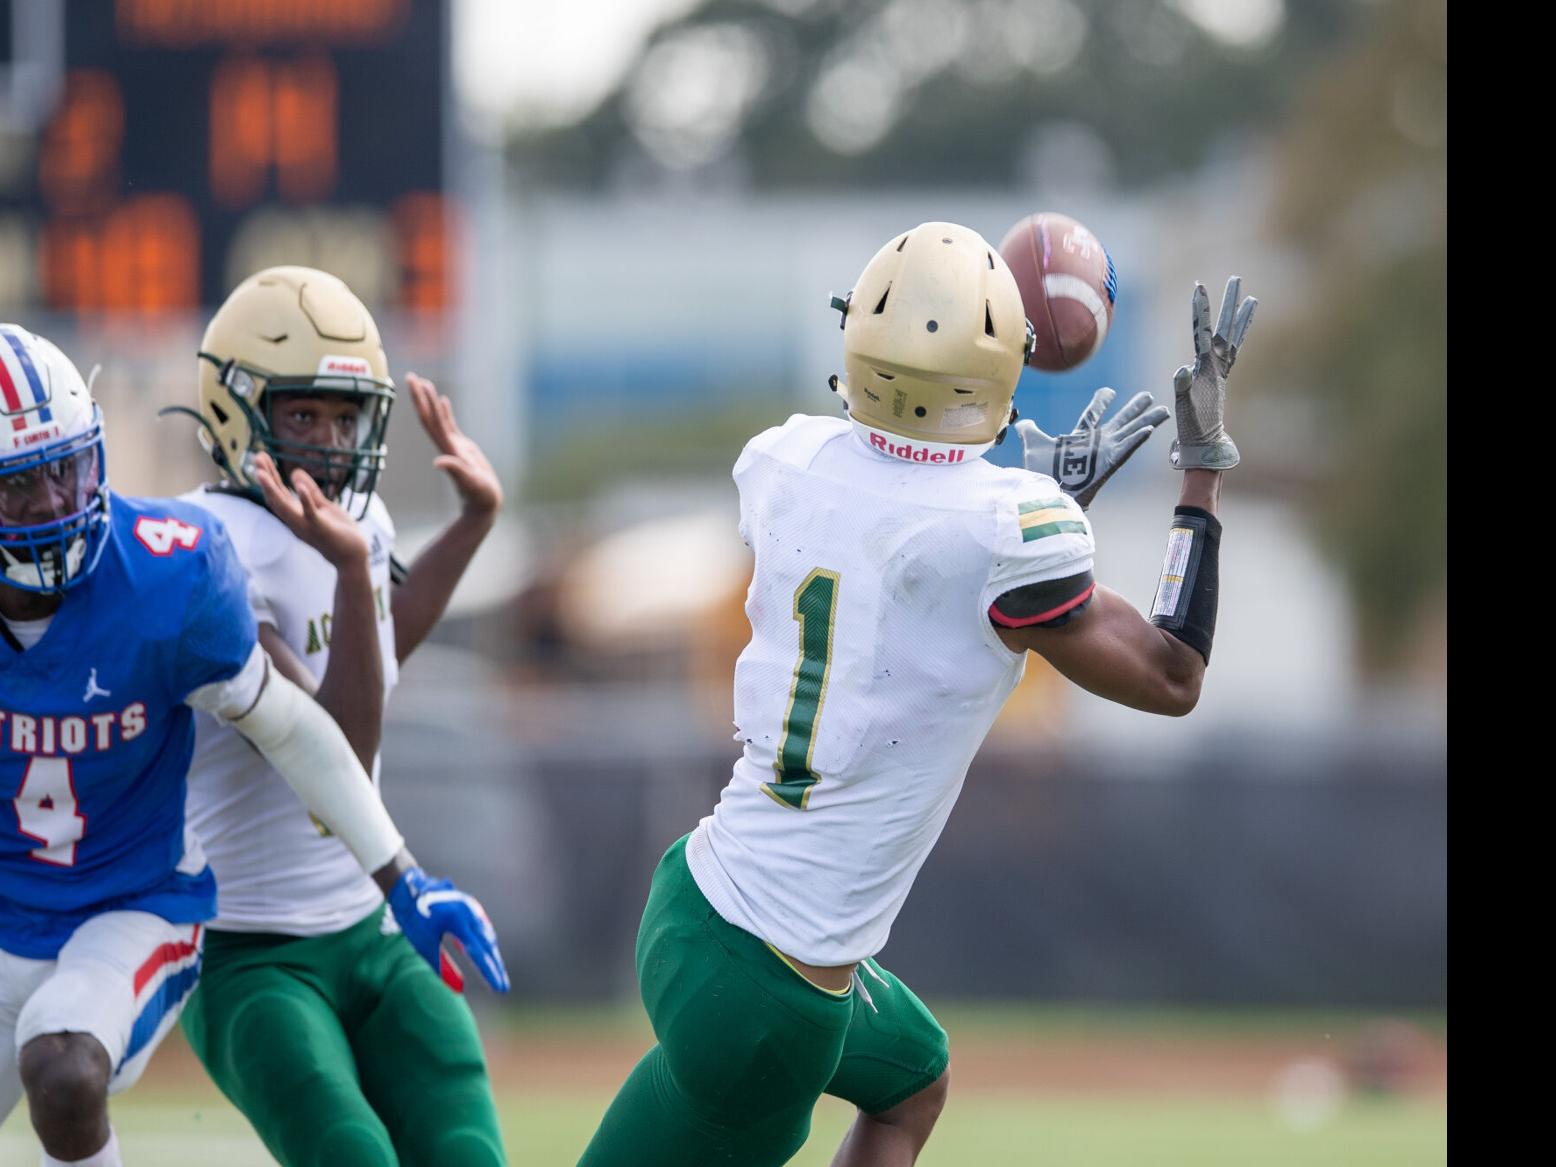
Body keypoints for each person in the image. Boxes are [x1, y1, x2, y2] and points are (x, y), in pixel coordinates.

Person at [577, 221, 1255, 1167]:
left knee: (913, 1076)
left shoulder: (786, 459)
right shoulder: (1009, 530)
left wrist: (1016, 504)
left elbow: (899, 562)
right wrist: (1200, 475)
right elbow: (1172, 676)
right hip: (772, 995)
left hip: (693, 897)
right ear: (997, 374)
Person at [0, 322, 507, 1167]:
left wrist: (403, 875)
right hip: (23, 909)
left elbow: (299, 725)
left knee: (63, 1069)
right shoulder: (226, 535)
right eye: (20, 487)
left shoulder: (168, 569)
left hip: (135, 899)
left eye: (67, 468)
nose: (55, 505)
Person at [174, 266, 508, 1166]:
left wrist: (473, 523)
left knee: (466, 1149)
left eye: (345, 417)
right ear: (237, 412)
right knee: (350, 1152)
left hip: (375, 925)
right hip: (251, 952)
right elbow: (332, 747)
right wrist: (357, 571)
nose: (329, 442)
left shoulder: (357, 527)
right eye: (303, 416)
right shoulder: (206, 555)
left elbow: (379, 658)